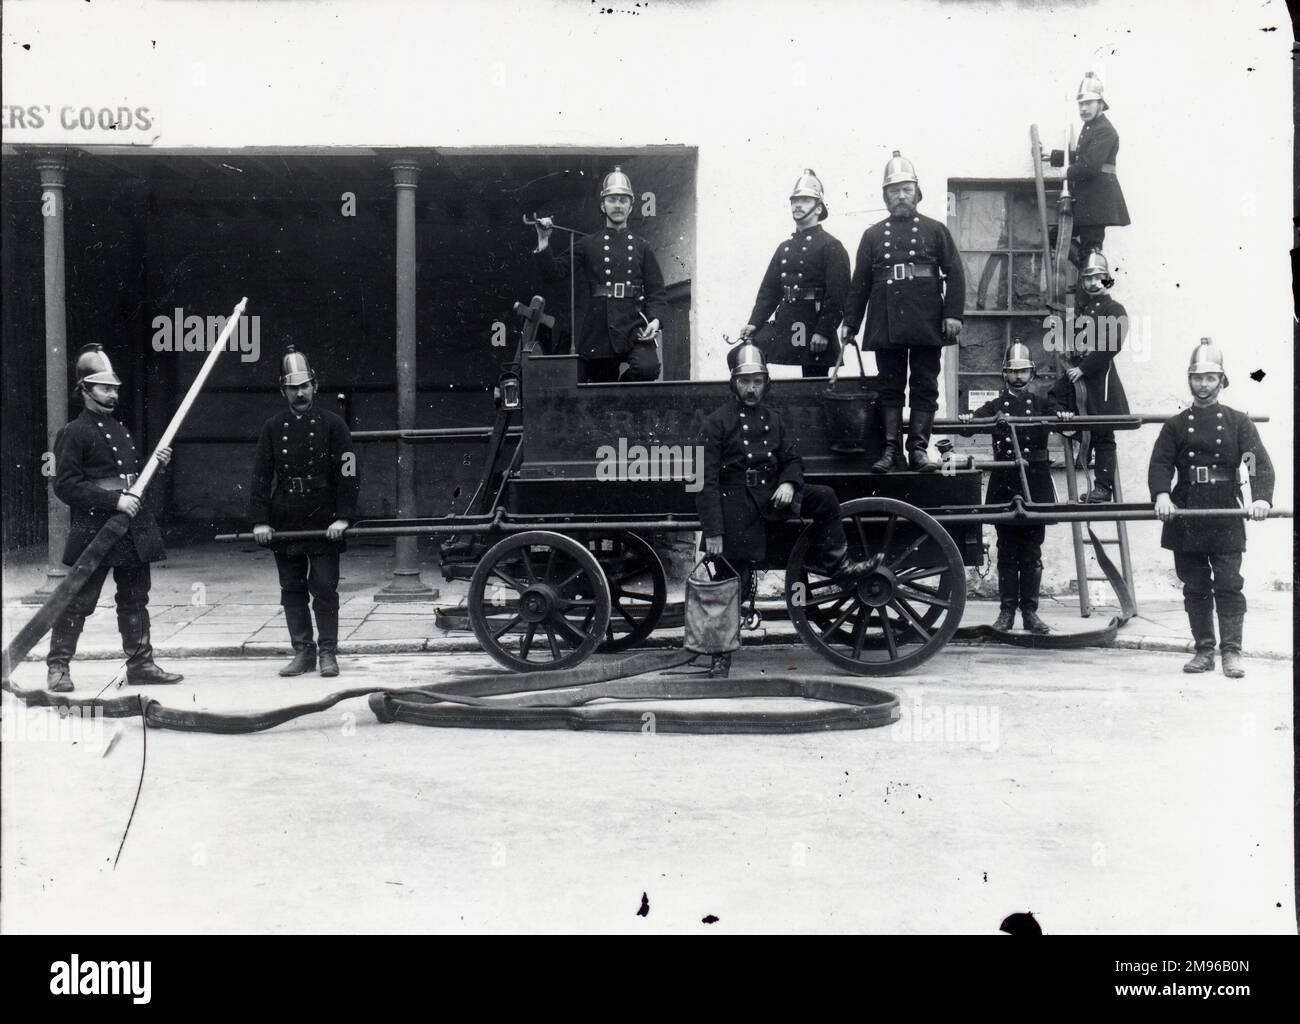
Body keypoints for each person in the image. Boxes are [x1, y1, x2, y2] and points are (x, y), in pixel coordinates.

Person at [696, 344, 870, 678]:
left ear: (766, 383)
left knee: (826, 497)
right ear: (733, 384)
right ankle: (720, 657)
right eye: (745, 381)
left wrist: (790, 483)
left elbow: (791, 459)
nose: (751, 389)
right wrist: (714, 532)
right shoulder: (717, 423)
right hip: (736, 506)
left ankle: (839, 565)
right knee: (731, 579)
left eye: (757, 381)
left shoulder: (773, 420)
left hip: (773, 498)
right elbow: (706, 482)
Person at [46, 345, 183, 691]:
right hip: (96, 528)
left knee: (135, 598)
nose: (112, 393)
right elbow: (65, 486)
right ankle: (58, 667)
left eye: (115, 388)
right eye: (105, 387)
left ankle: (141, 663)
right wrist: (113, 501)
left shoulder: (120, 430)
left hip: (132, 529)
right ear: (85, 390)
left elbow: (131, 480)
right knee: (79, 600)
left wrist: (156, 463)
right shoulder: (73, 432)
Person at [1149, 339, 1274, 678]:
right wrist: (1162, 495)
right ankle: (1204, 650)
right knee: (1195, 586)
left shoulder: (1237, 423)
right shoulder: (1175, 425)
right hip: (1186, 510)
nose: (1203, 385)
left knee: (1230, 583)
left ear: (1222, 381)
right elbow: (1160, 464)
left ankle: (1232, 652)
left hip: (1224, 511)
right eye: (1197, 378)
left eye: (1210, 378)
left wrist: (1260, 498)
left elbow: (1254, 461)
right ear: (1189, 381)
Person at [841, 151, 965, 473]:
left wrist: (953, 314)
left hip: (926, 317)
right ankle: (890, 449)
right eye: (894, 190)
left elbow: (956, 273)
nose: (900, 195)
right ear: (885, 197)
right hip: (886, 319)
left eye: (906, 189)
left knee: (925, 383)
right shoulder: (872, 235)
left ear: (917, 192)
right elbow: (860, 283)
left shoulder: (936, 230)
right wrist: (850, 323)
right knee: (890, 386)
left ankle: (919, 449)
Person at [250, 348, 358, 678]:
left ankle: (328, 652)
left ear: (315, 387)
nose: (300, 393)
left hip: (325, 517)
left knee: (324, 587)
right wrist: (261, 520)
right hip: (286, 517)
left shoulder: (333, 425)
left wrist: (344, 517)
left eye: (305, 386)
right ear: (283, 391)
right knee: (292, 588)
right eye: (293, 388)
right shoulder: (272, 427)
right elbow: (260, 475)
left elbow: (349, 471)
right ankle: (303, 652)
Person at [959, 343, 1073, 634]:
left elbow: (1064, 420)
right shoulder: (996, 405)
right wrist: (967, 420)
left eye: (1024, 371)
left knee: (1032, 549)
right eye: (1013, 372)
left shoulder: (1042, 402)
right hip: (1005, 481)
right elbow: (970, 426)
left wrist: (1063, 416)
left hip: (1035, 480)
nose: (1019, 377)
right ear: (1004, 375)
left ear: (1032, 373)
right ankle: (1006, 612)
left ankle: (1031, 613)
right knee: (1006, 548)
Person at [532, 166, 669, 383]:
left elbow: (657, 292)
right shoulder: (588, 244)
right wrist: (543, 240)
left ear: (631, 207)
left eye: (623, 200)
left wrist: (655, 321)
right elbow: (554, 273)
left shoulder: (643, 246)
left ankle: (622, 391)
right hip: (599, 329)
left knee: (648, 369)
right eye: (612, 199)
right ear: (602, 205)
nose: (617, 205)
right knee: (601, 386)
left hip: (634, 324)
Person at [737, 169, 851, 378]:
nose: (798, 205)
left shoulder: (831, 246)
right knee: (745, 359)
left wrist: (824, 331)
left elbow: (838, 296)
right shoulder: (784, 247)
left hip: (814, 325)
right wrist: (754, 322)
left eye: (806, 200)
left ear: (818, 208)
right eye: (795, 201)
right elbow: (769, 292)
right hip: (787, 322)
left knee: (814, 385)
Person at [1050, 251, 1129, 501]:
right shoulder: (1083, 310)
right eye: (1089, 278)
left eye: (1099, 278)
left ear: (1108, 280)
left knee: (1104, 434)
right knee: (1055, 399)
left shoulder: (1115, 309)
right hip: (1079, 375)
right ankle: (1075, 436)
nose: (1094, 283)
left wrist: (1084, 367)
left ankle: (1103, 488)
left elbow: (1111, 345)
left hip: (1100, 378)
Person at [1051, 72, 1130, 264]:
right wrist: (1053, 156)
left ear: (1101, 104)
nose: (1084, 108)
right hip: (1088, 202)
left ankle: (1094, 284)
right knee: (1057, 237)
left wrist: (1066, 173)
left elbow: (1090, 166)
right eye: (1081, 104)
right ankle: (1090, 275)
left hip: (1096, 202)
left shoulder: (1104, 130)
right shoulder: (1091, 126)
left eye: (1089, 103)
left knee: (1090, 252)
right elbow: (1081, 156)